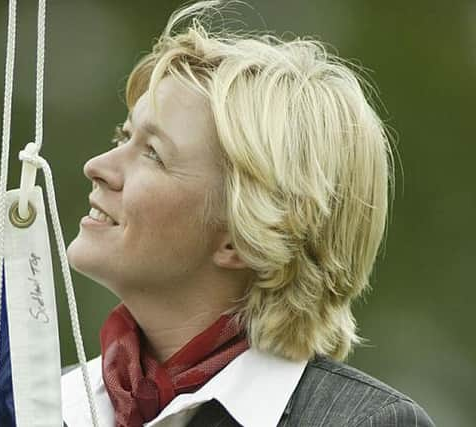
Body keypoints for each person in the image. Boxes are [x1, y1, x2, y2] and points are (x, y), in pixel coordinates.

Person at [62, 1, 435, 426]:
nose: (97, 166)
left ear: (243, 233)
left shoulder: (366, 422)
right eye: (122, 135)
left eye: (152, 153)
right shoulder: (28, 404)